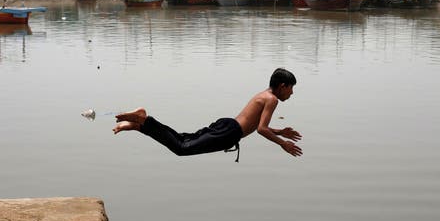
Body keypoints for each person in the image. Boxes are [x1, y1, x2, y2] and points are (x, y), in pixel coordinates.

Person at [112, 68, 302, 160]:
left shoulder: (264, 94)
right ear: (282, 86)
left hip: (227, 125)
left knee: (182, 139)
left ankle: (140, 125)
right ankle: (144, 119)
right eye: (290, 89)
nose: (291, 94)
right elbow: (261, 129)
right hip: (229, 133)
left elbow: (257, 124)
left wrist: (279, 132)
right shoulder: (272, 99)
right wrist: (283, 144)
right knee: (182, 148)